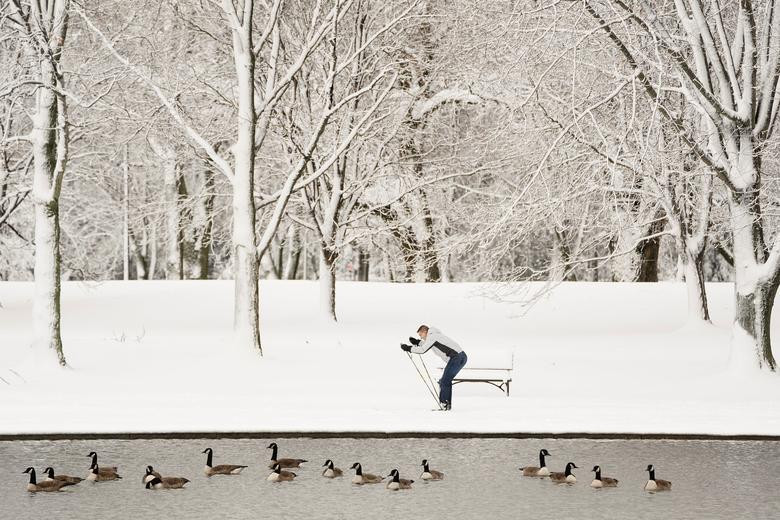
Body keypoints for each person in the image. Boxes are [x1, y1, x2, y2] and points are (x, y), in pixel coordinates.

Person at [401, 325, 467, 411]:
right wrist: (417, 342)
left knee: (444, 381)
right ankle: (446, 404)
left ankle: (445, 404)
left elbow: (422, 350)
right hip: (460, 357)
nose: (421, 337)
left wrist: (408, 348)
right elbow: (430, 345)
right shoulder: (434, 336)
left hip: (457, 358)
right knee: (444, 381)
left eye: (421, 335)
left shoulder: (432, 336)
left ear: (425, 332)